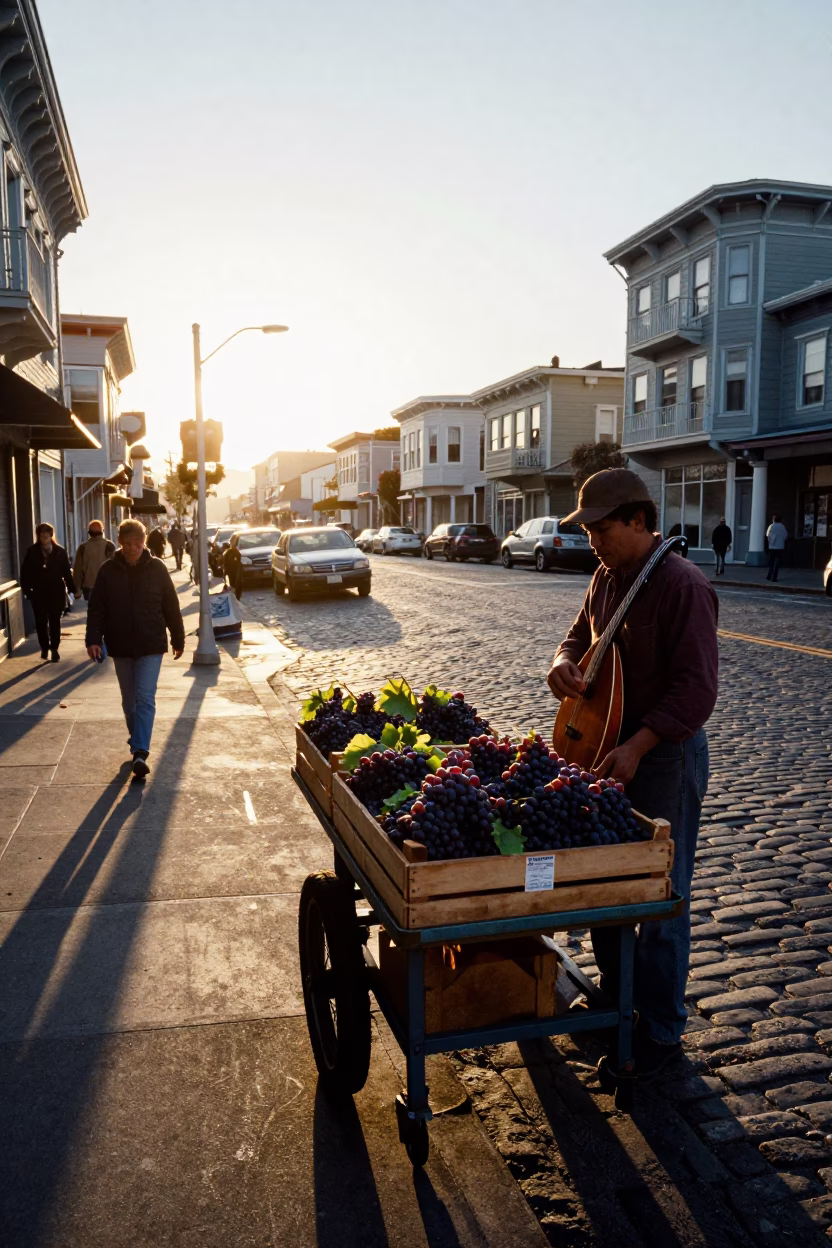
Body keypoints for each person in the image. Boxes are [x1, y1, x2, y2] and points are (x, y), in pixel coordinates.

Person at [547, 469, 718, 1078]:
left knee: (662, 896)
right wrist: (562, 665)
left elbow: (695, 692)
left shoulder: (682, 585)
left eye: (601, 526)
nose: (591, 538)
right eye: (587, 528)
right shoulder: (605, 577)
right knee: (608, 886)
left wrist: (640, 746)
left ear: (639, 522)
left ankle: (662, 1030)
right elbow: (576, 638)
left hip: (662, 757)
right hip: (606, 748)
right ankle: (619, 1007)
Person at [86, 519, 185, 779]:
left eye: (137, 543)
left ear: (144, 542)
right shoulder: (108, 571)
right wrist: (93, 639)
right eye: (127, 544)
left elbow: (171, 606)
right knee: (129, 701)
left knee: (144, 697)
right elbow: (97, 608)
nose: (132, 549)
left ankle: (140, 751)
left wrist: (178, 638)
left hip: (151, 643)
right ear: (119, 543)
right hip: (120, 644)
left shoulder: (157, 568)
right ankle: (137, 739)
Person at [21, 523, 76, 662]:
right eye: (41, 534)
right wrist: (28, 591)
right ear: (38, 536)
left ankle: (55, 649)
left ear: (51, 535)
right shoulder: (32, 552)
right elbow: (25, 573)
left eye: (47, 534)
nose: (44, 537)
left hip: (56, 591)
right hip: (38, 592)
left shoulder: (60, 552)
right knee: (41, 622)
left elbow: (66, 572)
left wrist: (72, 589)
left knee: (55, 621)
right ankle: (44, 646)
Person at [73, 520, 115, 601]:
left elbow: (78, 570)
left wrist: (77, 588)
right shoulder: (109, 545)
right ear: (102, 531)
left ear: (89, 533)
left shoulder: (83, 547)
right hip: (106, 586)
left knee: (92, 610)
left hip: (89, 586)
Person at [766, 513, 788, 582]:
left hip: (772, 547)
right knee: (777, 562)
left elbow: (767, 535)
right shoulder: (782, 527)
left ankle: (769, 575)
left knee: (771, 562)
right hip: (780, 547)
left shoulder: (771, 526)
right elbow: (785, 535)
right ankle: (774, 577)